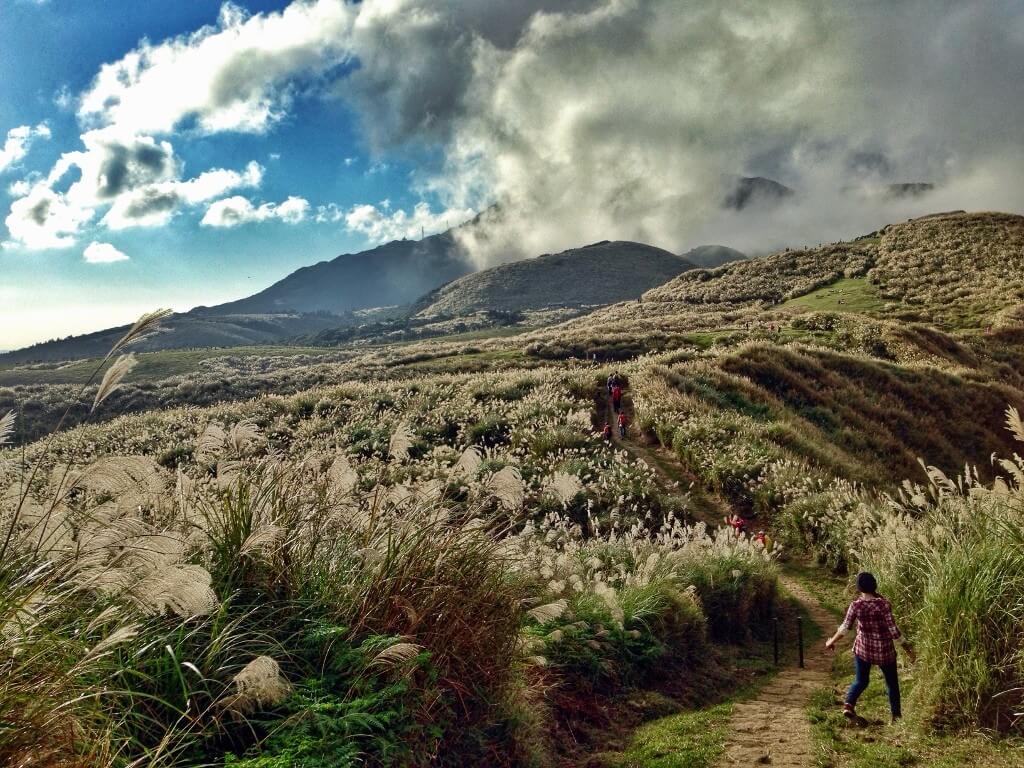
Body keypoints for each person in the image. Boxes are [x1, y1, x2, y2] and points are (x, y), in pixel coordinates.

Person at [825, 572, 915, 723]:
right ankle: (896, 717)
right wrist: (908, 649)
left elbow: (845, 628)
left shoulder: (856, 605)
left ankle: (848, 705)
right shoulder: (884, 604)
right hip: (884, 651)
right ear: (875, 585)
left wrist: (831, 641)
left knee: (861, 680)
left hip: (863, 649)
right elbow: (894, 631)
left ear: (859, 587)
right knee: (892, 683)